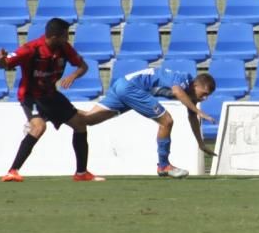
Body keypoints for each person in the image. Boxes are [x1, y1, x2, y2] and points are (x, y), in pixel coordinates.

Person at [0, 17, 104, 183]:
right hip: (31, 96)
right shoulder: (30, 49)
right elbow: (4, 64)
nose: (67, 39)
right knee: (39, 127)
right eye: (65, 35)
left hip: (51, 95)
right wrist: (1, 61)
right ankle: (13, 171)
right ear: (54, 37)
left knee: (80, 125)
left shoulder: (65, 48)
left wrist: (73, 75)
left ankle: (81, 173)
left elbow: (83, 66)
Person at [81, 68, 217, 178]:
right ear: (195, 85)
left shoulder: (190, 96)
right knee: (166, 121)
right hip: (131, 88)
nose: (204, 98)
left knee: (89, 119)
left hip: (123, 85)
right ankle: (164, 165)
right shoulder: (183, 79)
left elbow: (192, 118)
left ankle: (62, 111)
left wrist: (201, 143)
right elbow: (177, 91)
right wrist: (200, 112)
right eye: (204, 93)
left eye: (208, 96)